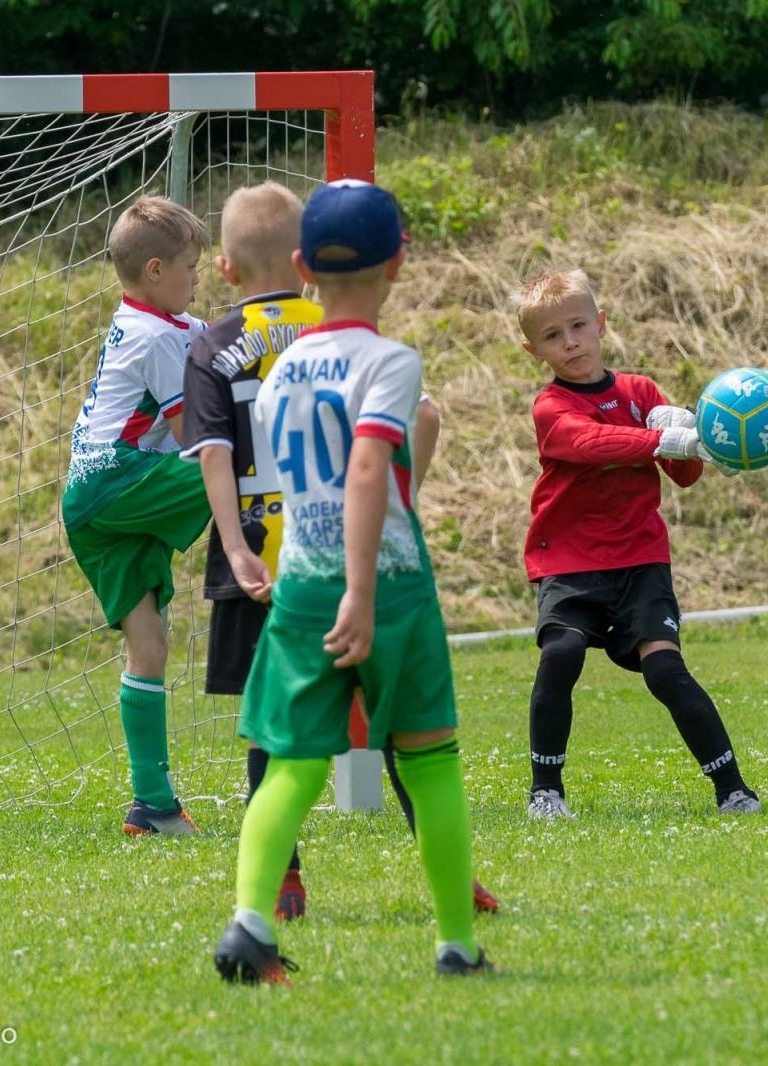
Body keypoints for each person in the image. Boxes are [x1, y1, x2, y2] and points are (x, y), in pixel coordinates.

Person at [179, 181, 499, 922]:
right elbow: (410, 431)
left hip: (274, 566)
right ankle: (455, 905)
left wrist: (233, 547)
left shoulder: (218, 345)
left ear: (230, 268)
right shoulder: (353, 344)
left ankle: (269, 897)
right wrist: (397, 499)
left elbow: (214, 453)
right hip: (373, 571)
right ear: (396, 264)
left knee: (281, 741)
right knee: (413, 735)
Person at [517, 268, 760, 819]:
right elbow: (589, 443)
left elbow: (685, 476)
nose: (571, 341)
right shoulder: (550, 407)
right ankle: (546, 792)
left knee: (665, 671)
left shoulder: (641, 393)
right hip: (570, 561)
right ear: (534, 349)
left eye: (579, 326)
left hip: (640, 560)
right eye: (554, 336)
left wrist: (700, 439)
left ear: (600, 324)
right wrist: (664, 437)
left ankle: (734, 790)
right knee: (562, 653)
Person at [62, 195, 211, 836]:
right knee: (234, 465)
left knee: (148, 647)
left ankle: (152, 806)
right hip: (116, 482)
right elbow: (195, 437)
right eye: (190, 267)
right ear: (155, 270)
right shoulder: (155, 337)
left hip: (90, 504)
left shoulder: (163, 324)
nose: (197, 277)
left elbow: (222, 341)